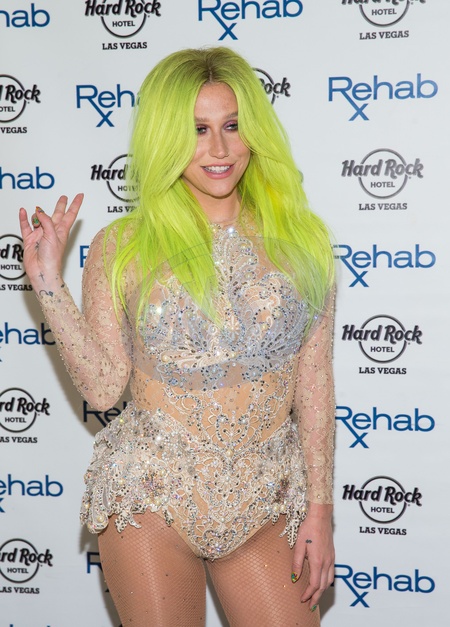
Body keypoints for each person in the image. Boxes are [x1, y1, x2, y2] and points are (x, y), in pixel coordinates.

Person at [19, 47, 336, 626]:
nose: (219, 149)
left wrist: (319, 510)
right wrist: (47, 283)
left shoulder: (304, 244)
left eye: (232, 125)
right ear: (165, 138)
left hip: (266, 497)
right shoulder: (123, 246)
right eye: (196, 130)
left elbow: (314, 384)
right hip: (151, 494)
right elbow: (104, 388)